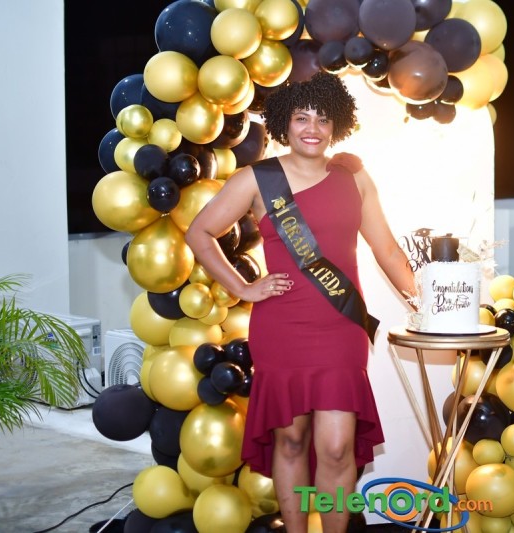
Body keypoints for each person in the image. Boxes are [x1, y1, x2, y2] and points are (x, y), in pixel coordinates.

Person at [185, 72, 415, 533]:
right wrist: (244, 288)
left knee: (336, 447)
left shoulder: (355, 177)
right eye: (302, 118)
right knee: (290, 440)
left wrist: (426, 306)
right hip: (281, 329)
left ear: (337, 125)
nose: (313, 128)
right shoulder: (258, 179)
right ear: (284, 124)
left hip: (340, 328)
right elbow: (200, 233)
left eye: (323, 119)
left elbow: (387, 251)